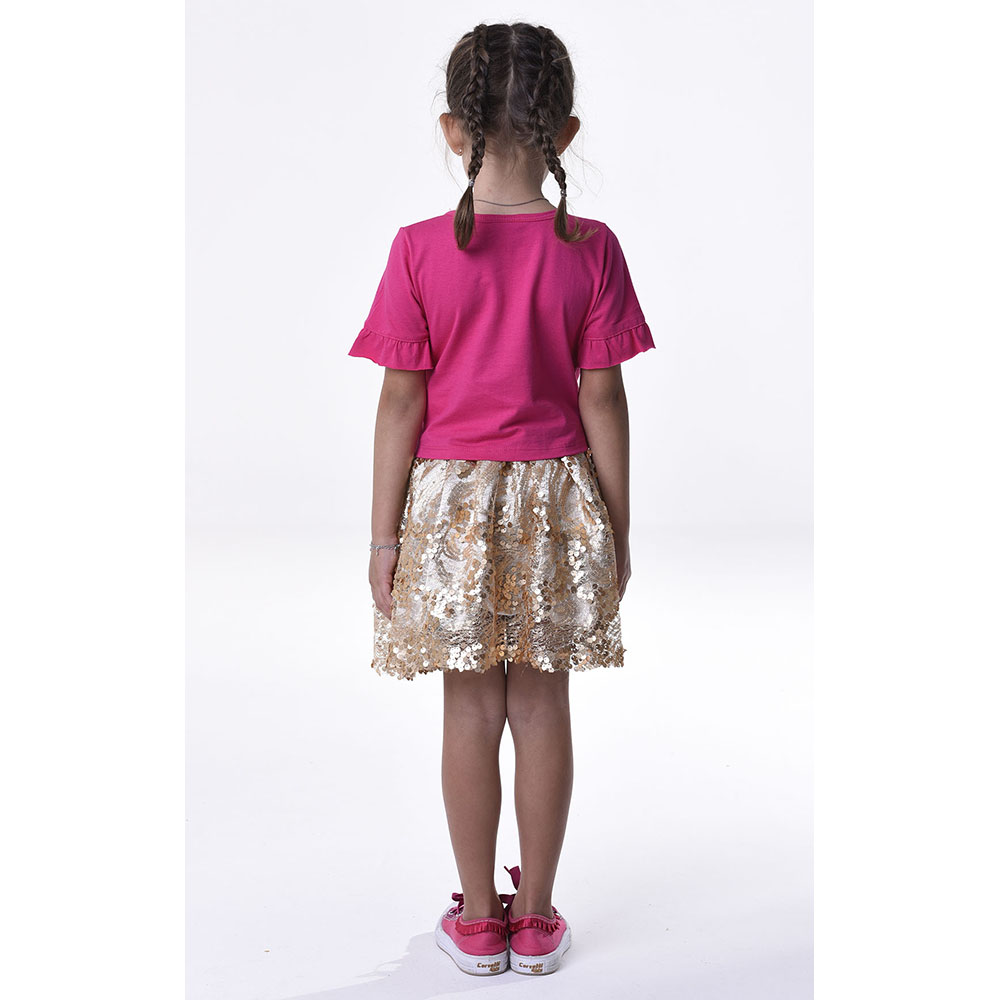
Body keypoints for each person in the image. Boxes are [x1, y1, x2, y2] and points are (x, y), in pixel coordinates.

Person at [347, 22, 655, 977]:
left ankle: (478, 919)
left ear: (453, 128)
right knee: (544, 706)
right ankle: (537, 914)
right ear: (565, 132)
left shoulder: (418, 250)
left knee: (470, 711)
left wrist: (384, 539)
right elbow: (602, 398)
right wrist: (616, 527)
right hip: (558, 500)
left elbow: (402, 403)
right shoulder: (591, 249)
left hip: (449, 507)